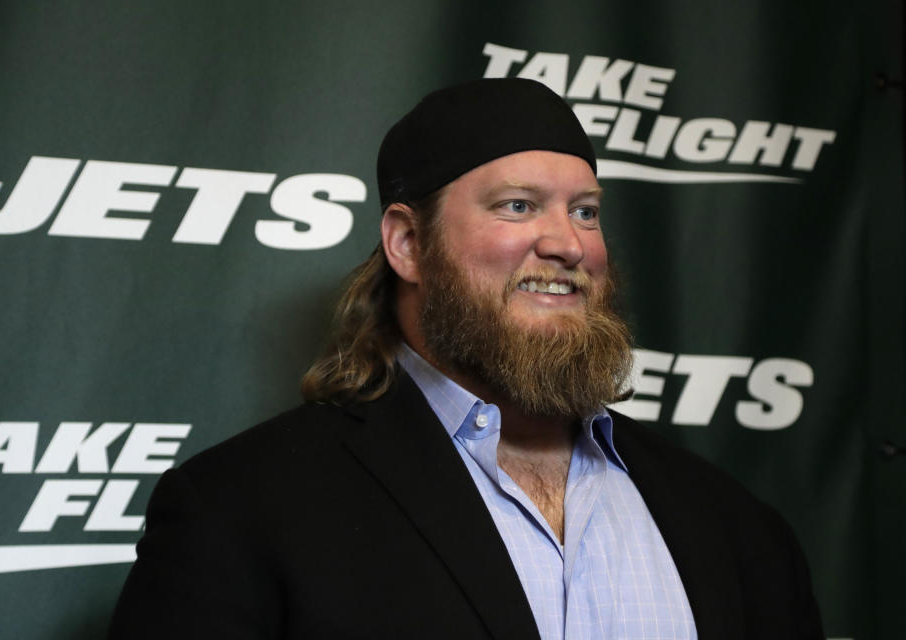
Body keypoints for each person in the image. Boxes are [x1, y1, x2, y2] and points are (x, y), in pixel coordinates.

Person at [110, 78, 824, 639]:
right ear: (408, 245)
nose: (568, 244)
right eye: (518, 206)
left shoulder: (737, 528)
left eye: (585, 210)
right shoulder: (240, 510)